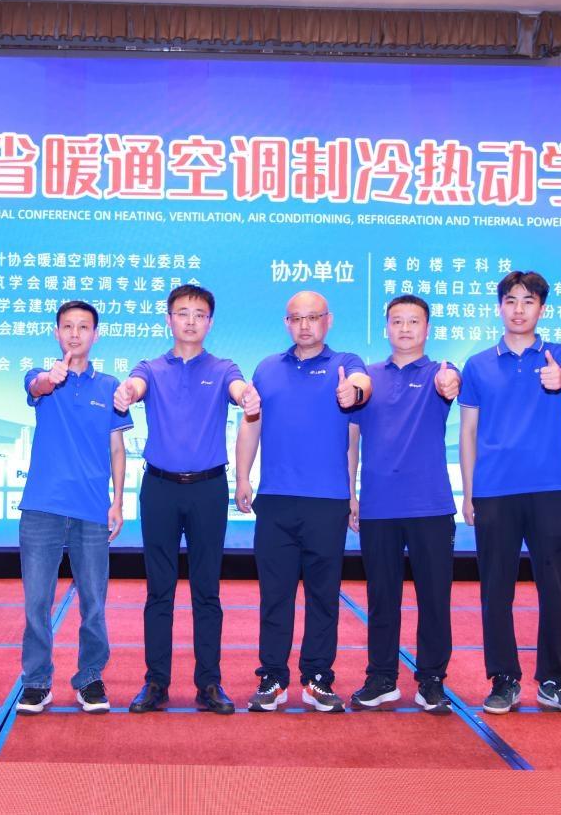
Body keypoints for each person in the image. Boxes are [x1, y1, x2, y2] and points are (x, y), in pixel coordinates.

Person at [114, 285, 258, 715]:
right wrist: (127, 392)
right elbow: (135, 386)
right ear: (169, 319)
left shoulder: (224, 367)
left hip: (207, 490)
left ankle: (209, 683)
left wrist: (246, 396)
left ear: (209, 323)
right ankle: (156, 682)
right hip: (159, 488)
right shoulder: (151, 367)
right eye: (182, 313)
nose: (190, 321)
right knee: (159, 590)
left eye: (199, 314)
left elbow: (239, 390)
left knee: (206, 590)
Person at [458, 270, 561, 718]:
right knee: (496, 590)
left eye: (528, 301)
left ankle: (556, 681)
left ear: (542, 309)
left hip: (550, 487)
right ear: (499, 307)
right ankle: (503, 679)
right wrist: (469, 492)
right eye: (511, 301)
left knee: (555, 588)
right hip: (495, 490)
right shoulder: (477, 364)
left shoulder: (557, 354)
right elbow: (468, 431)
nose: (519, 309)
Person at [235, 291, 371, 713]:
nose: (305, 325)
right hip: (275, 499)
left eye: (313, 317)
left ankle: (317, 678)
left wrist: (354, 391)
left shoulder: (346, 363)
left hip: (327, 501)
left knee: (323, 596)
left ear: (328, 320)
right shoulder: (267, 368)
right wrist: (242, 476)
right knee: (274, 595)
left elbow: (361, 392)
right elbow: (251, 424)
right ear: (286, 323)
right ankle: (273, 677)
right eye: (296, 318)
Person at [14, 301, 132, 715]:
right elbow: (37, 387)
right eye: (68, 326)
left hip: (92, 509)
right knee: (37, 602)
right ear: (56, 333)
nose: (75, 334)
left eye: (84, 327)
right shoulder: (40, 375)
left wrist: (118, 501)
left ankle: (90, 678)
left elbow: (117, 448)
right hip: (42, 507)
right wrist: (50, 378)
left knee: (94, 603)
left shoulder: (111, 386)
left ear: (96, 335)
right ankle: (36, 681)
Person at [347, 295, 460, 714]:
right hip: (379, 505)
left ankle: (432, 680)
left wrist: (450, 384)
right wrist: (351, 493)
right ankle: (381, 678)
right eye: (397, 321)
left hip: (430, 505)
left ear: (427, 329)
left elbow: (451, 384)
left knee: (435, 598)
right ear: (386, 328)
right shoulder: (368, 378)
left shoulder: (440, 372)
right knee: (381, 597)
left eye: (414, 321)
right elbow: (352, 441)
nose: (406, 328)